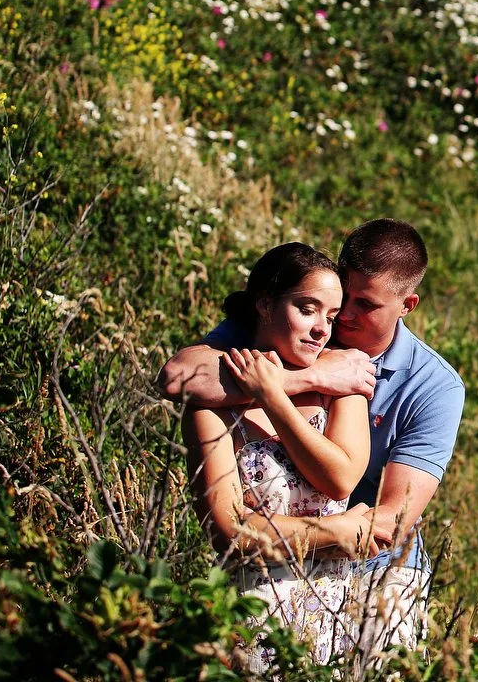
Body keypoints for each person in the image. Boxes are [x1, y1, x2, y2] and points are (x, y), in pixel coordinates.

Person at [162, 219, 464, 664]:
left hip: (379, 564)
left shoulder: (435, 386)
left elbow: (390, 522)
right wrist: (306, 376)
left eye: (365, 304)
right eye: (344, 297)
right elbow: (179, 377)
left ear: (407, 305)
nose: (342, 317)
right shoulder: (301, 329)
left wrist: (277, 389)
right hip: (278, 558)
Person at [183, 241, 371, 668]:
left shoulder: (341, 386)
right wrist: (334, 532)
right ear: (265, 304)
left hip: (331, 622)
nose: (323, 329)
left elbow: (339, 478)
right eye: (307, 309)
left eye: (331, 316)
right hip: (250, 621)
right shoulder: (214, 406)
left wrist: (273, 395)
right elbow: (229, 532)